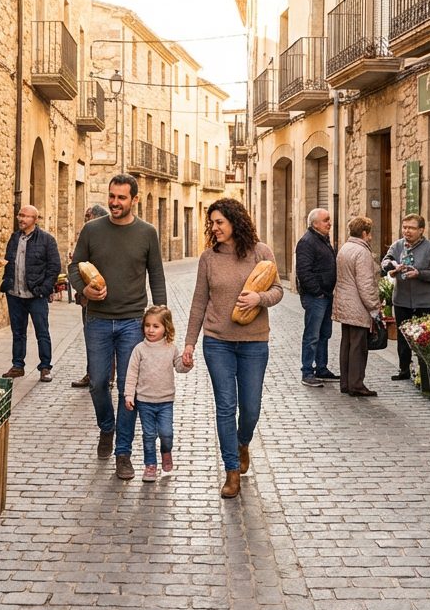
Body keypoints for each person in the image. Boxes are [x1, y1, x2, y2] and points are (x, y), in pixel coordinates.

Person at [183, 198, 283, 499]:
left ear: (235, 222)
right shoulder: (208, 258)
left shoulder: (261, 253)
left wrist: (259, 299)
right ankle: (231, 471)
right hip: (217, 342)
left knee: (250, 407)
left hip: (254, 342)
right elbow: (199, 301)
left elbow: (278, 290)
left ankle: (243, 443)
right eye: (211, 223)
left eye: (219, 222)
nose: (214, 228)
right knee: (226, 406)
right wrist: (189, 343)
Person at [68, 175, 167, 480]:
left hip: (132, 322)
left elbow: (156, 275)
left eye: (121, 197)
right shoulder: (92, 230)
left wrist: (162, 317)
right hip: (97, 319)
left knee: (128, 388)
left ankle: (123, 452)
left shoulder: (147, 233)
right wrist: (84, 290)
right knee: (98, 383)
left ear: (134, 199)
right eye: (112, 196)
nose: (114, 202)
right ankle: (106, 428)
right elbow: (74, 267)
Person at [123, 305, 191, 482]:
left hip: (165, 401)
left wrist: (186, 364)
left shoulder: (171, 348)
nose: (150, 330)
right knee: (149, 435)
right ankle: (150, 465)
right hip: (144, 401)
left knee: (166, 433)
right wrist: (129, 395)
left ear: (166, 328)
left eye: (156, 326)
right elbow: (131, 374)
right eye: (147, 325)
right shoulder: (139, 349)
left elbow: (179, 367)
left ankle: (166, 451)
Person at [0, 205, 61, 382]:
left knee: (42, 332)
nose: (21, 219)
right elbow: (9, 262)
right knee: (18, 332)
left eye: (26, 216)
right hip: (15, 294)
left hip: (36, 295)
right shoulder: (14, 238)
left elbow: (54, 267)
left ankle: (45, 367)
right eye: (20, 215)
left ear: (35, 219)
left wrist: (44, 290)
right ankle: (18, 365)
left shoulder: (47, 240)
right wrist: (7, 283)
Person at [380, 214, 430, 380]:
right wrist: (391, 268)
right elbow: (385, 262)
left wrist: (419, 274)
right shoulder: (397, 246)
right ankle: (404, 370)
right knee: (403, 337)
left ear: (421, 230)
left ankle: (425, 372)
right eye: (404, 227)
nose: (407, 231)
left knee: (425, 337)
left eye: (411, 228)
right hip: (402, 300)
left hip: (424, 301)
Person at [332, 216, 381, 397]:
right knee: (358, 347)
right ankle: (356, 384)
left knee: (347, 344)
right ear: (364, 233)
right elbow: (366, 284)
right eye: (370, 233)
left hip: (345, 303)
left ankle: (346, 382)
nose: (371, 237)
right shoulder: (362, 252)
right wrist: (374, 308)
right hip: (357, 305)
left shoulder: (345, 248)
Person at [295, 208, 337, 387]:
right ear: (315, 224)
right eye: (326, 220)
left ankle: (321, 368)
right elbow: (303, 272)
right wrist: (317, 291)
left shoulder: (322, 239)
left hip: (326, 295)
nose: (330, 223)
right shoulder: (307, 242)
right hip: (316, 297)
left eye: (329, 219)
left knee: (324, 334)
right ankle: (307, 372)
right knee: (312, 335)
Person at [70, 203, 111, 389]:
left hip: (102, 296)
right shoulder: (87, 236)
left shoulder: (106, 237)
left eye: (88, 216)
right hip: (87, 297)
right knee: (90, 338)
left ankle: (106, 377)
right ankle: (92, 373)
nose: (85, 219)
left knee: (105, 339)